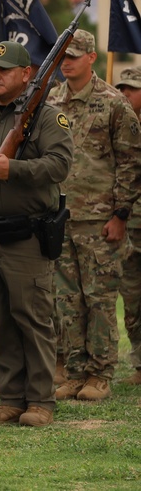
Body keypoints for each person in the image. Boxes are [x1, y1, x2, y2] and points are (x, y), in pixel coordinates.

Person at [0, 40, 73, 427]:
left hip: (26, 237)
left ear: (27, 75)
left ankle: (40, 401)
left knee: (33, 319)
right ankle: (10, 398)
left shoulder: (47, 118)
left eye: (3, 70)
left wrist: (16, 170)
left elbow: (59, 165)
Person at [46, 30, 141, 401]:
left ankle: (100, 374)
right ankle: (74, 371)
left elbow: (131, 164)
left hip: (100, 219)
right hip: (60, 215)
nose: (66, 62)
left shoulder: (115, 103)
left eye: (73, 55)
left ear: (91, 58)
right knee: (66, 300)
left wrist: (120, 215)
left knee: (99, 298)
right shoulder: (51, 99)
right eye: (62, 57)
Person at [116, 67, 141, 386]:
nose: (125, 93)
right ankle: (139, 363)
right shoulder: (117, 129)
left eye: (132, 89)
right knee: (132, 299)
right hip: (129, 226)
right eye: (121, 88)